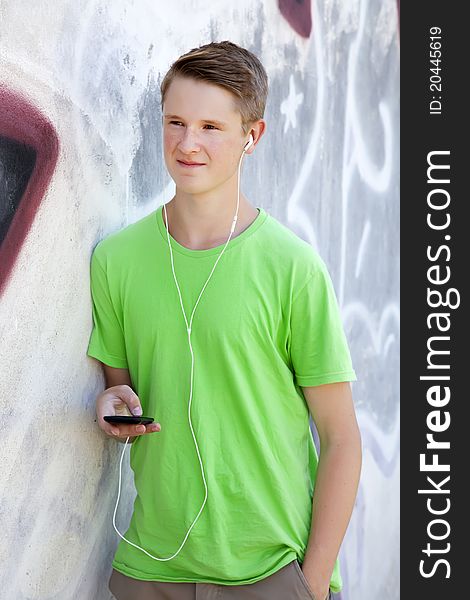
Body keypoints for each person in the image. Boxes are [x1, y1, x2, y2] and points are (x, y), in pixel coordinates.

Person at [87, 40, 362, 600]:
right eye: (176, 122)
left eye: (211, 126)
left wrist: (308, 585)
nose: (188, 144)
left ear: (251, 136)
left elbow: (341, 438)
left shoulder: (292, 267)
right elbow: (122, 391)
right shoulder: (115, 259)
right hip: (152, 570)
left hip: (270, 573)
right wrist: (113, 406)